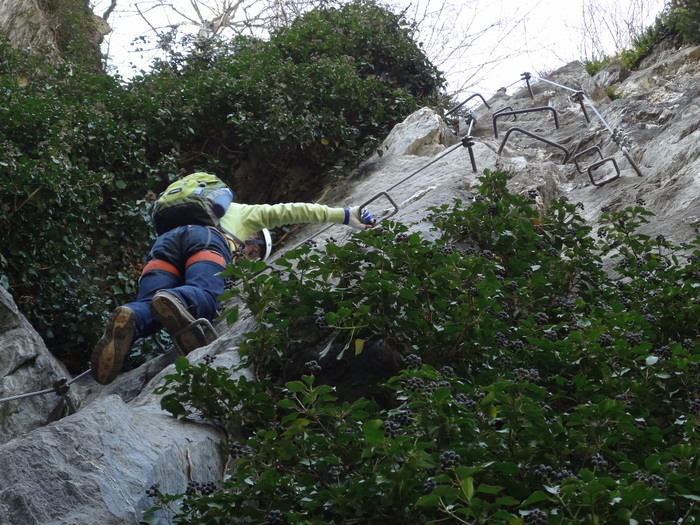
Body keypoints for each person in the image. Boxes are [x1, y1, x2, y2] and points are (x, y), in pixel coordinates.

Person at [90, 185, 376, 385]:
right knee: (206, 293)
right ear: (254, 238)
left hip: (164, 244)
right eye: (253, 252)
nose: (246, 259)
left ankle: (128, 316)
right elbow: (291, 210)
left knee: (147, 309)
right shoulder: (245, 214)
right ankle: (181, 304)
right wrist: (345, 215)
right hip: (205, 240)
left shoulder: (199, 212)